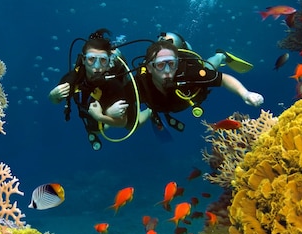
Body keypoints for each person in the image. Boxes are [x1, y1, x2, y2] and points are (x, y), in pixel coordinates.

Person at [135, 39, 264, 132]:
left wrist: (245, 93)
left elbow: (223, 79)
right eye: (160, 65)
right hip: (160, 104)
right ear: (149, 67)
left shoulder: (189, 73)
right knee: (152, 107)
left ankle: (220, 56)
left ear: (177, 63)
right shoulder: (140, 84)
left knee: (208, 67)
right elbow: (130, 121)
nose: (167, 70)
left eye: (172, 64)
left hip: (195, 90)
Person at [49, 28, 136, 150]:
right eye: (91, 59)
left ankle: (149, 111)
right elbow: (55, 100)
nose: (97, 67)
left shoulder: (114, 84)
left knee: (132, 125)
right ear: (83, 60)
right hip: (91, 111)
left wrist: (101, 116)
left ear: (108, 62)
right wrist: (53, 95)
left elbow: (123, 122)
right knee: (94, 129)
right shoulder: (72, 78)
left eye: (103, 60)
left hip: (106, 107)